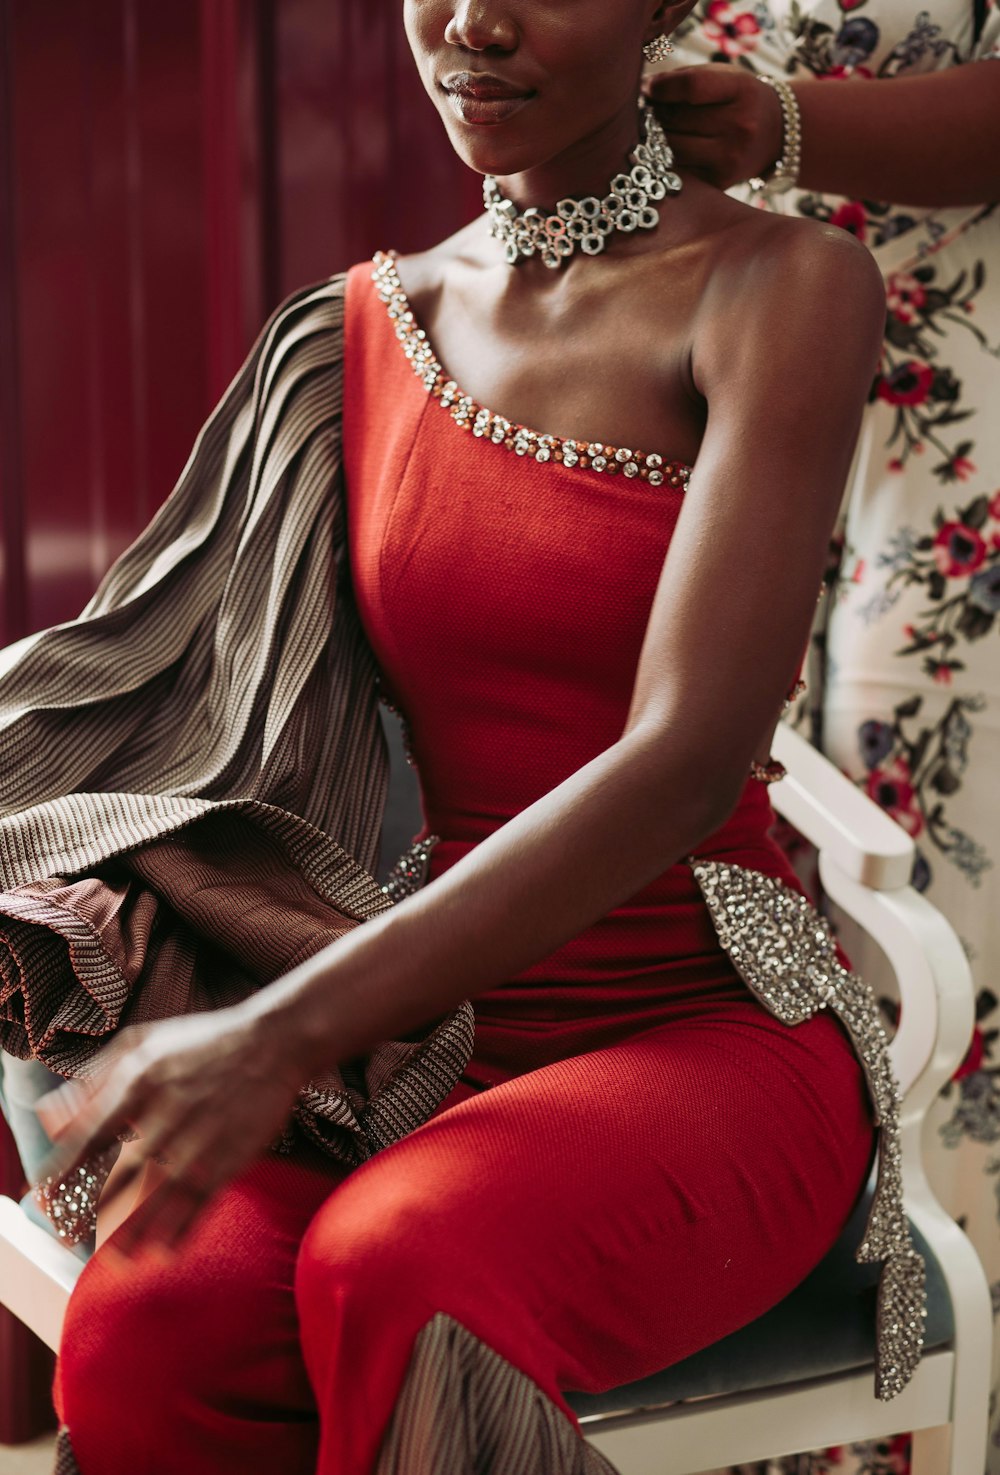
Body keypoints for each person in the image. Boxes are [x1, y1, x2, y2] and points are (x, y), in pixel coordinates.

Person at [0, 2, 908, 1472]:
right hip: (430, 1048)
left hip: (712, 1032)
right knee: (151, 1324)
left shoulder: (781, 286)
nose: (474, 23)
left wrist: (278, 1033)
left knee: (403, 1264)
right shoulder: (357, 332)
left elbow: (685, 761)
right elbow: (145, 695)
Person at [646, 14, 1000, 1471]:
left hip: (940, 428)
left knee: (919, 897)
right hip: (661, 368)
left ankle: (928, 1399)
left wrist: (784, 126)